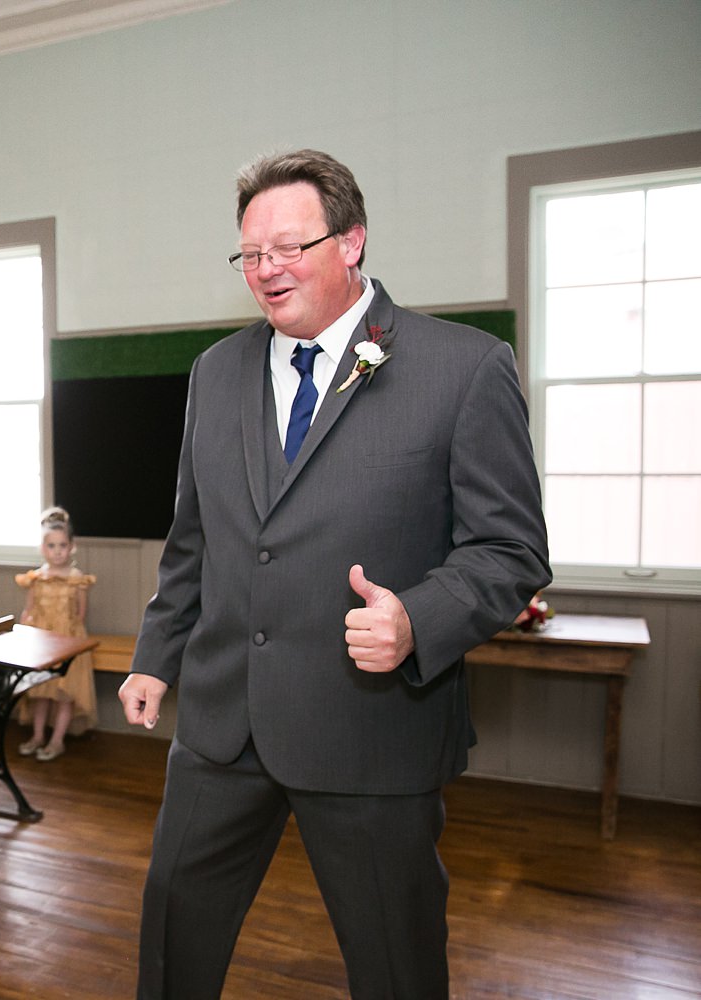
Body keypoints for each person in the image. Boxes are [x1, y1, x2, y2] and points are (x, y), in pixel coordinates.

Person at [119, 150, 550, 999]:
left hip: (371, 728)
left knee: (396, 963)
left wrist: (418, 620)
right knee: (172, 940)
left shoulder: (462, 368)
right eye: (250, 254)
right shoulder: (216, 372)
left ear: (352, 241)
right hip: (221, 726)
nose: (266, 271)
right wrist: (153, 654)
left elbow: (512, 551)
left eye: (289, 247)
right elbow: (193, 538)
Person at [14, 506, 97, 762]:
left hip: (68, 643)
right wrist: (23, 632)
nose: (57, 551)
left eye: (62, 545)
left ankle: (57, 740)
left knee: (64, 694)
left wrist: (69, 639)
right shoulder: (37, 578)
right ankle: (38, 735)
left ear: (72, 546)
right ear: (43, 548)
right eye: (52, 545)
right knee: (41, 692)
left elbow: (80, 614)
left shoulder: (76, 579)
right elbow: (28, 610)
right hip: (41, 644)